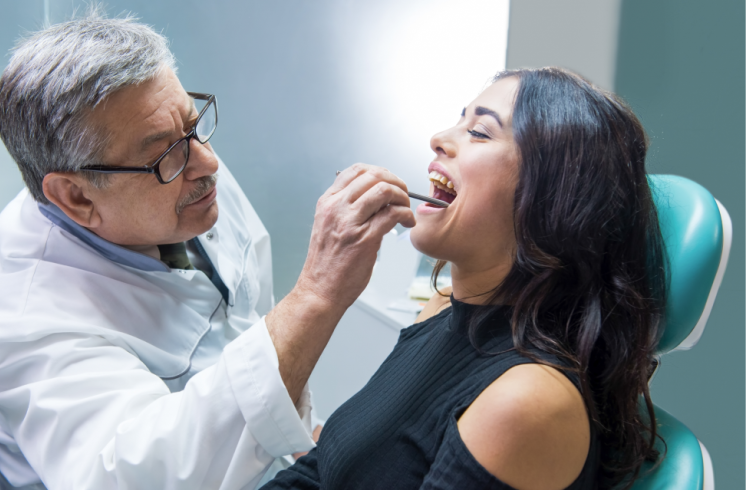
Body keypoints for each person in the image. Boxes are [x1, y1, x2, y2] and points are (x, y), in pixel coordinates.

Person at [0, 13, 415, 490]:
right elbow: (137, 478)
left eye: (193, 123)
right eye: (166, 153)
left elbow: (246, 312)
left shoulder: (183, 169)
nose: (207, 162)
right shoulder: (21, 322)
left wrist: (300, 432)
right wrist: (316, 296)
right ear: (77, 197)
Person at [264, 68, 667, 490]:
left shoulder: (526, 401)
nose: (439, 137)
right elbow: (324, 471)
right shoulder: (439, 312)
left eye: (478, 132)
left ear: (551, 198)